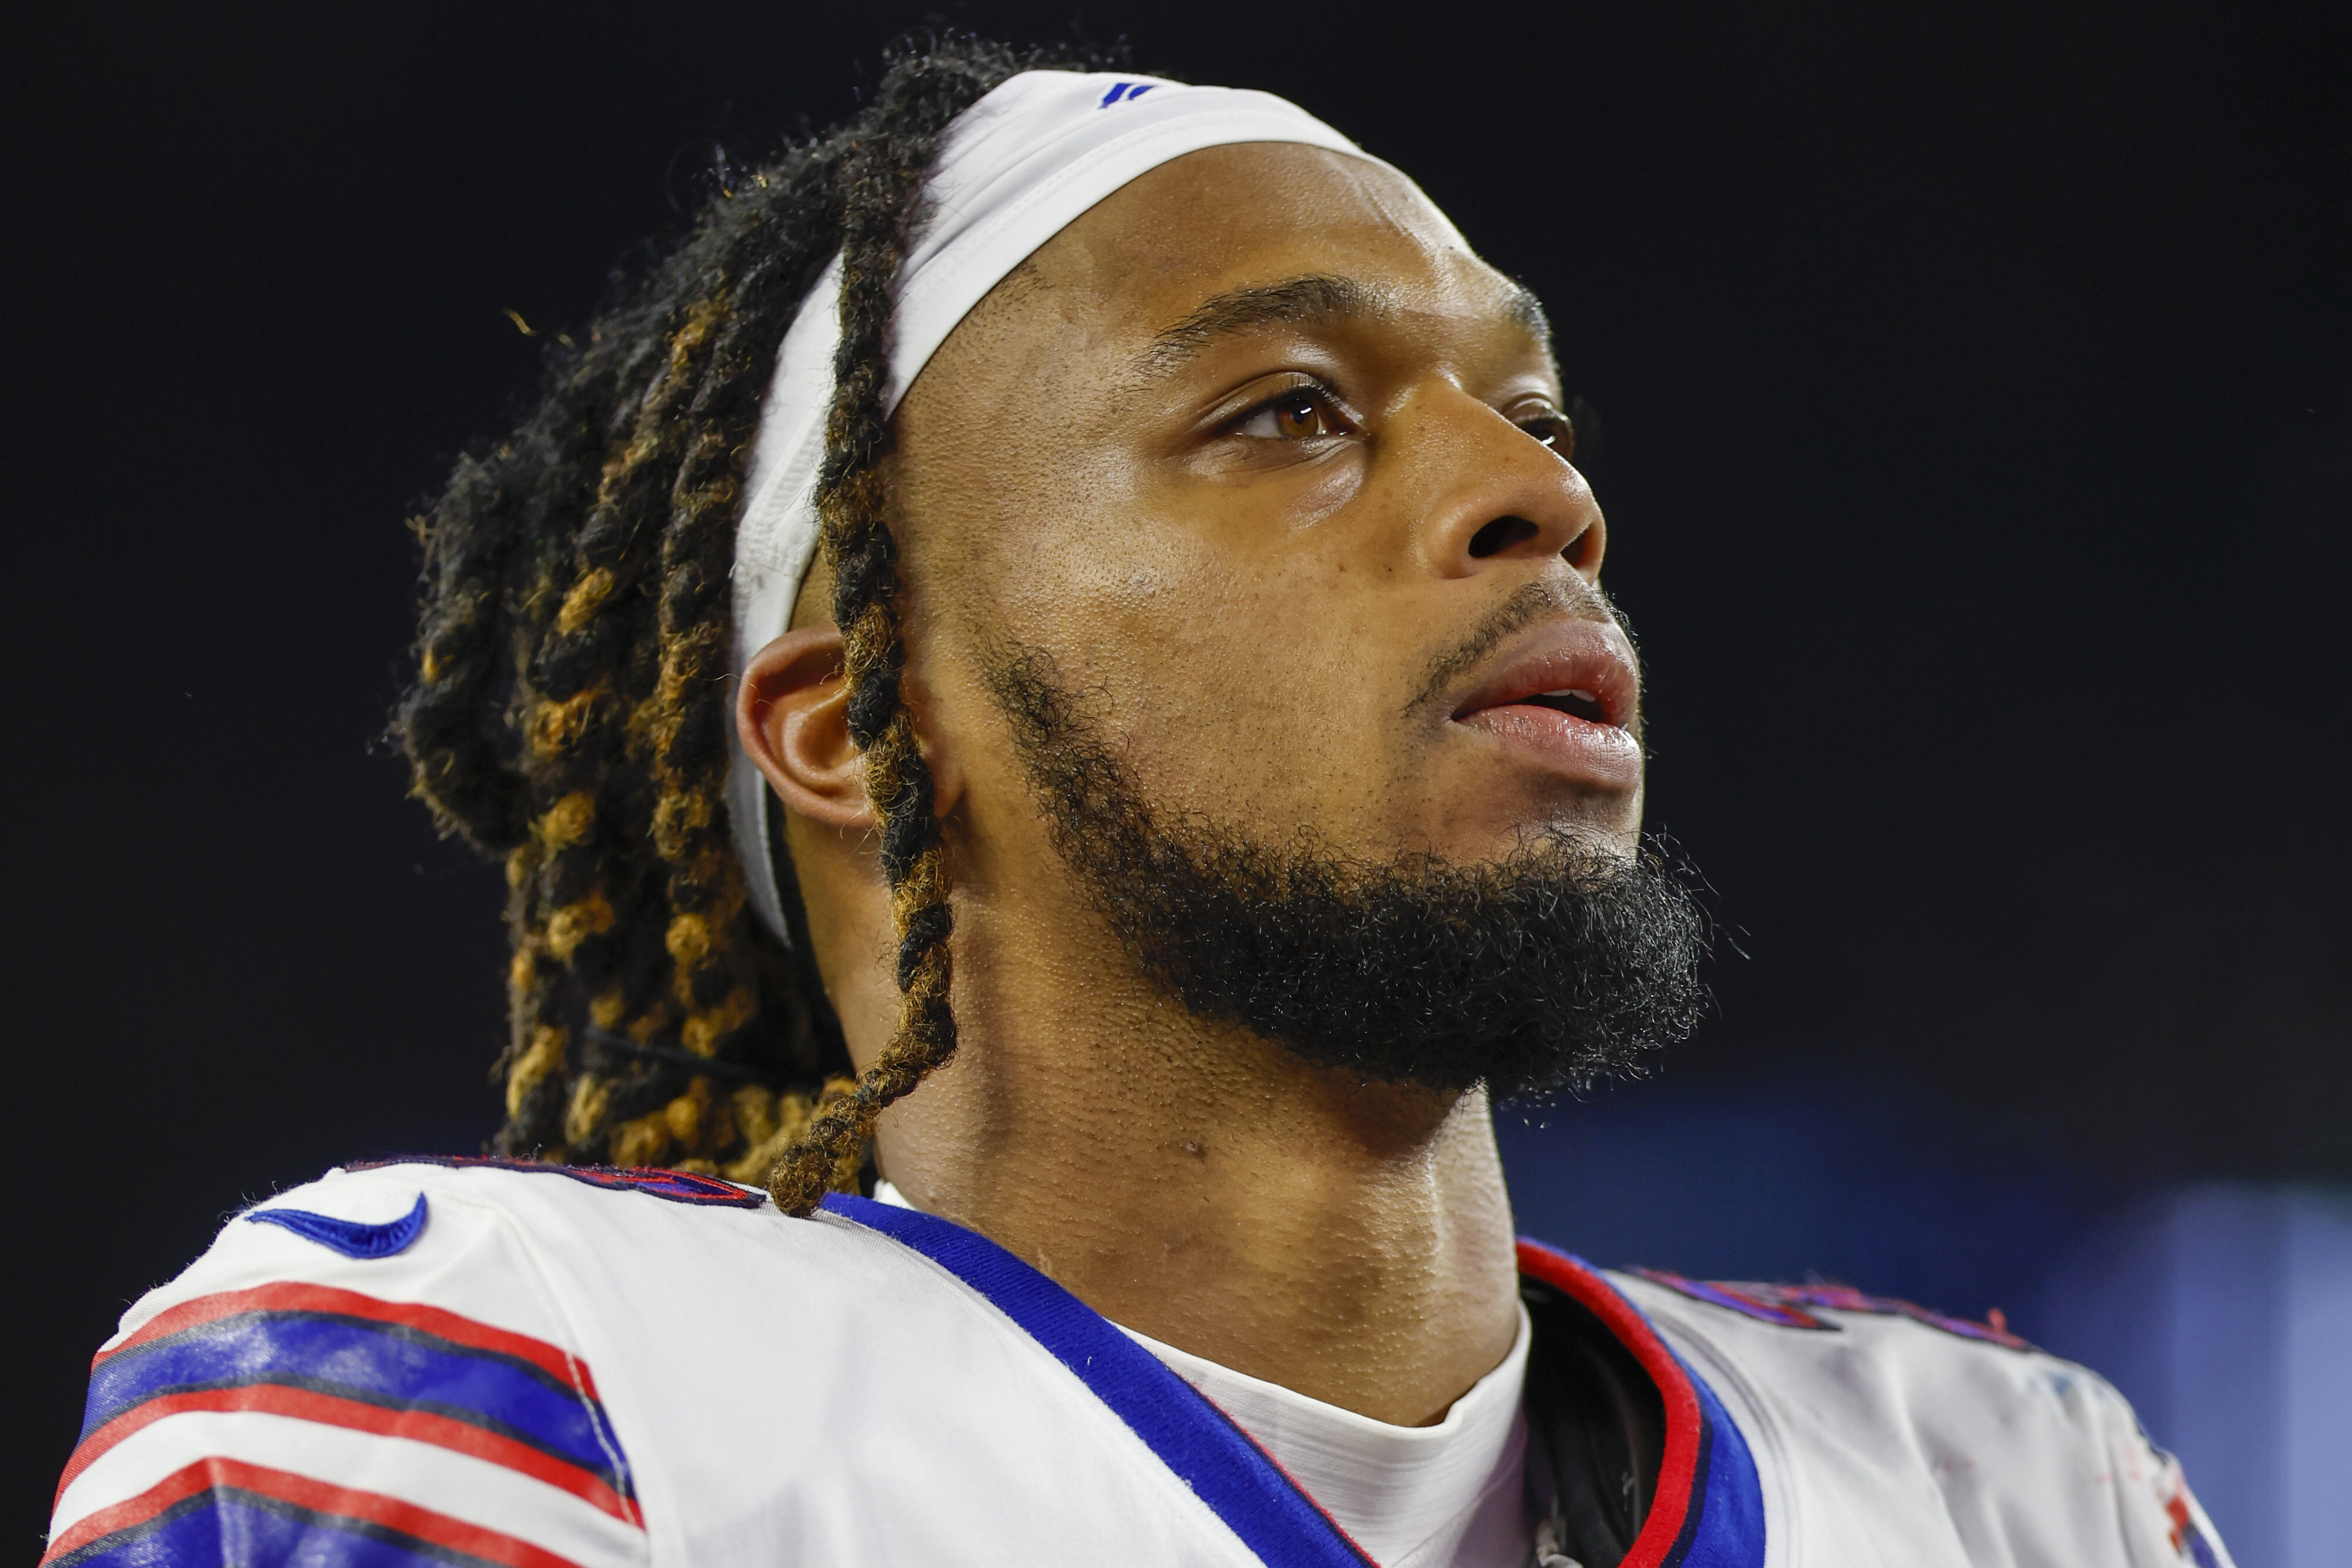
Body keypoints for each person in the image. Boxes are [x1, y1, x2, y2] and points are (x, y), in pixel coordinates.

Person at [44, 38, 2232, 1568]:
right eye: (1290, 411)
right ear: (853, 724)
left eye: (1531, 406)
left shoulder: (2023, 1492)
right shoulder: (512, 1381)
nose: (1542, 494)